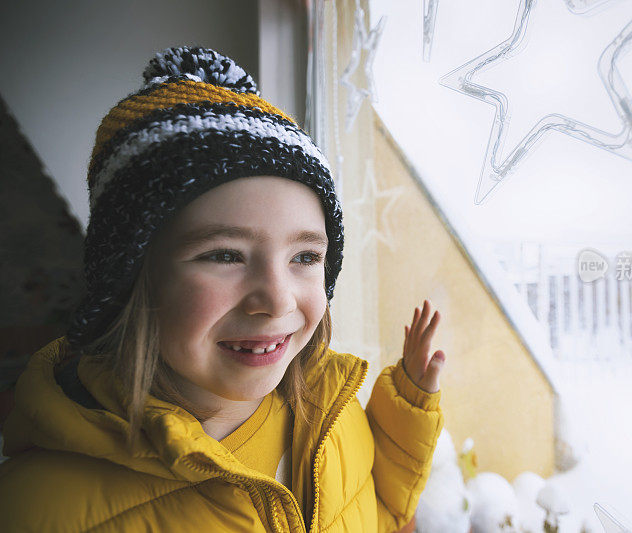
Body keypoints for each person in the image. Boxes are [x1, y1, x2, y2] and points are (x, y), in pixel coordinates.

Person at [0, 46, 446, 532]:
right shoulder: (34, 507)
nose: (276, 300)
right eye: (225, 255)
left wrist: (405, 417)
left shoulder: (330, 415)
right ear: (129, 277)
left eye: (304, 257)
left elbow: (367, 510)